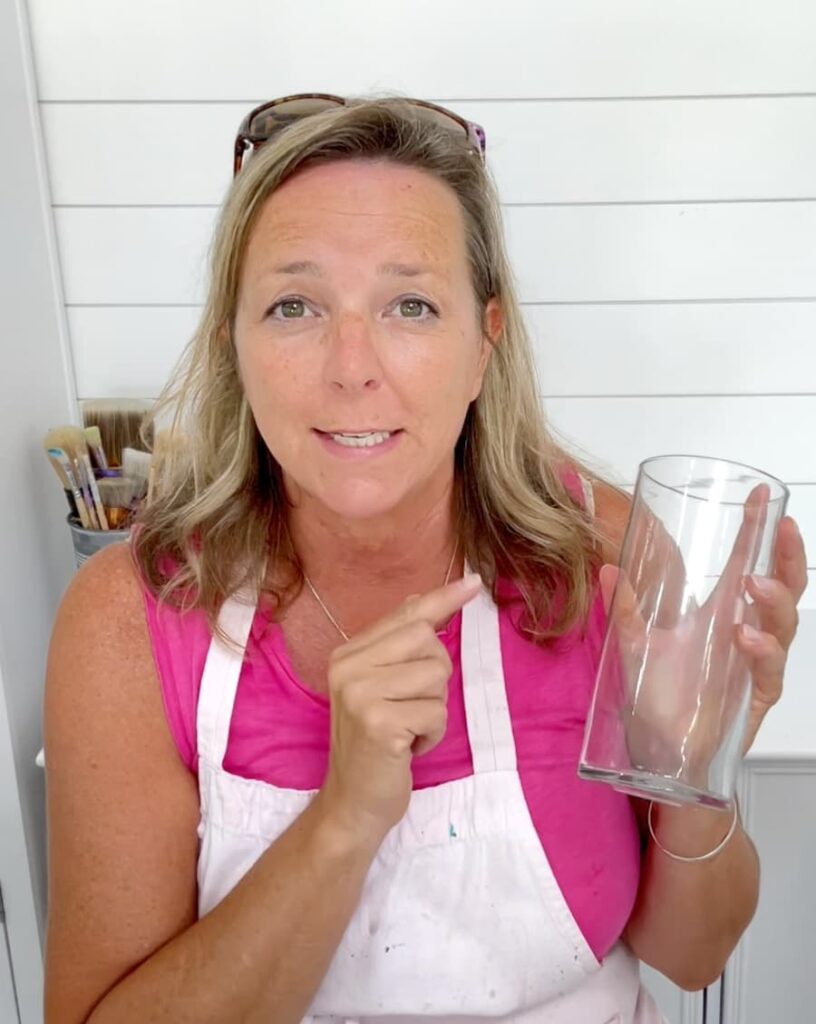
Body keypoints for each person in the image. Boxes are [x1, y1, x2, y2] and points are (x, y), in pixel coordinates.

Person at [43, 95, 807, 1024]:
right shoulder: (133, 618)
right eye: (294, 305)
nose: (353, 367)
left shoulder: (612, 558)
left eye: (411, 304)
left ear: (485, 342)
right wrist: (345, 818)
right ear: (232, 343)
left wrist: (700, 763)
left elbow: (693, 957)